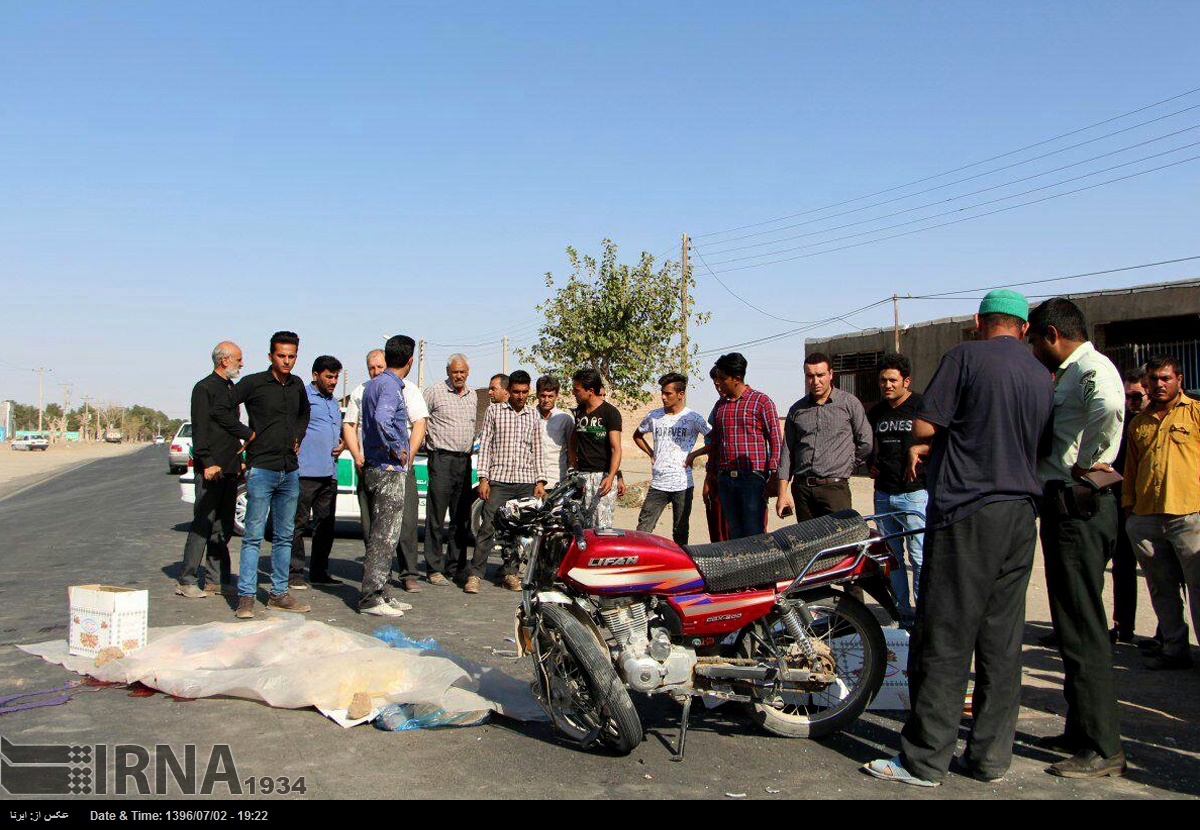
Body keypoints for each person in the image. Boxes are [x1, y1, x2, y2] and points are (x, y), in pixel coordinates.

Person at [865, 289, 1053, 788]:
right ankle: (990, 759)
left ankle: (925, 761)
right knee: (1002, 641)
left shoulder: (965, 357)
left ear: (978, 320)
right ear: (1024, 327)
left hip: (969, 512)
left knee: (945, 635)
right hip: (1021, 514)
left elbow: (925, 424)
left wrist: (928, 443)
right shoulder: (1040, 373)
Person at [1028, 297, 1126, 779]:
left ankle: (1104, 747)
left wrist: (1090, 461)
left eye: (1035, 341)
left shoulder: (1091, 368)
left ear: (1052, 334)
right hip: (1064, 503)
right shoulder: (1068, 372)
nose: (1033, 350)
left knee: (1084, 625)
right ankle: (1081, 728)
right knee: (1069, 624)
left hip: (1079, 504)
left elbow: (1109, 406)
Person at [213, 331, 313, 619]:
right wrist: (246, 433)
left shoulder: (297, 385)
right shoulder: (254, 383)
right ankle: (246, 597)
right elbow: (220, 409)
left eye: (291, 356)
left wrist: (298, 435)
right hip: (261, 469)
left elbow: (304, 413)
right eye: (281, 355)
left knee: (284, 536)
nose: (286, 361)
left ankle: (279, 593)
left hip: (289, 471)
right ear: (271, 356)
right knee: (253, 536)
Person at [1123, 354, 1200, 671]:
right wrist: (1130, 511)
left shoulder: (1195, 413)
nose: (1158, 384)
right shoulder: (1138, 423)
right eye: (1153, 379)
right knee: (1162, 589)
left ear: (1179, 379)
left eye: (1165, 378)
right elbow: (1131, 470)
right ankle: (1174, 650)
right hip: (1146, 518)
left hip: (1189, 516)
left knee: (1198, 588)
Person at [175, 341, 244, 599]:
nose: (242, 363)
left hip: (229, 467)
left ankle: (217, 580)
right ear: (224, 360)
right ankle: (187, 579)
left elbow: (231, 428)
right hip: (211, 467)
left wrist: (239, 460)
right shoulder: (204, 388)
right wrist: (207, 461)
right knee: (203, 524)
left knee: (223, 526)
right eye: (238, 359)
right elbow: (201, 428)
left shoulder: (231, 388)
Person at [866, 353, 927, 626]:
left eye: (892, 380)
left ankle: (924, 615)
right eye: (883, 380)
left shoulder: (921, 406)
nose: (887, 385)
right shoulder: (876, 412)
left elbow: (941, 439)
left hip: (913, 493)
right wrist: (870, 463)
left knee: (919, 556)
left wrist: (919, 449)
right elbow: (868, 445)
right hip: (883, 494)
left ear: (906, 381)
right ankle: (903, 612)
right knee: (892, 558)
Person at [473, 370, 547, 593]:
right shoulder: (494, 411)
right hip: (499, 480)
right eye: (516, 392)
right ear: (508, 391)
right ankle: (475, 574)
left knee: (518, 531)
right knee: (487, 526)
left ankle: (510, 573)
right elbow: (486, 445)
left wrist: (540, 482)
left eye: (524, 392)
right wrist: (483, 478)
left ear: (529, 391)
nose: (520, 396)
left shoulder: (533, 415)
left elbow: (538, 449)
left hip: (525, 481)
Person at [357, 335, 415, 617]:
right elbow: (383, 419)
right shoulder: (390, 386)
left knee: (384, 535)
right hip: (387, 470)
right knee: (385, 535)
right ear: (410, 361)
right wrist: (396, 448)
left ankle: (382, 592)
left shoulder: (373, 384)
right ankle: (370, 598)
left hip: (375, 466)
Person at [778, 352, 872, 522]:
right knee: (808, 537)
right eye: (810, 376)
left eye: (820, 375)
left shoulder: (849, 403)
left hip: (834, 488)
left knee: (840, 536)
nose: (815, 381)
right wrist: (782, 493)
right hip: (802, 489)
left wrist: (847, 465)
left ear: (830, 374)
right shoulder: (797, 410)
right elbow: (787, 452)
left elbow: (866, 442)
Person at [704, 353, 781, 540]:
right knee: (734, 534)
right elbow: (715, 445)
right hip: (725, 480)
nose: (718, 383)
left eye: (722, 378)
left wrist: (774, 476)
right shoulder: (720, 406)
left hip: (752, 480)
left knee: (754, 535)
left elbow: (776, 440)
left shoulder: (761, 402)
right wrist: (711, 475)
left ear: (737, 379)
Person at [634, 372, 711, 546]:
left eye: (668, 393)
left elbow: (714, 440)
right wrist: (651, 453)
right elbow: (637, 436)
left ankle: (681, 561)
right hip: (658, 483)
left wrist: (693, 455)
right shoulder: (653, 416)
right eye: (662, 392)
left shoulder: (692, 418)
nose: (663, 397)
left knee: (680, 531)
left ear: (680, 394)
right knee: (643, 529)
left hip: (683, 484)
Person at [422, 354, 478, 586]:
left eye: (462, 372)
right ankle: (434, 568)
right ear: (448, 372)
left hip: (464, 462)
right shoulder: (434, 392)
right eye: (455, 372)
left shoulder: (473, 395)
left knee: (461, 518)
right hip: (441, 459)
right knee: (436, 517)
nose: (459, 376)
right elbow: (418, 420)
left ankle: (455, 567)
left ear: (468, 372)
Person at [291, 355, 344, 589]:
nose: (333, 381)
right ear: (315, 375)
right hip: (305, 473)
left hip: (329, 474)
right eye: (329, 377)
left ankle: (319, 573)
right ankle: (294, 573)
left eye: (336, 377)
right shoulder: (302, 396)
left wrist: (342, 444)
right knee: (298, 524)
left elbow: (336, 432)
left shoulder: (333, 402)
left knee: (325, 526)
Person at [1111, 368, 1148, 643]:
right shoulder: (1122, 425)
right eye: (1127, 397)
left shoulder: (1155, 424)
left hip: (1152, 507)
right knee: (1123, 567)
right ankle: (1124, 626)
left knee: (1163, 575)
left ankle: (1167, 634)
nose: (1131, 402)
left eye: (1136, 397)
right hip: (1122, 505)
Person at [342, 349, 387, 546]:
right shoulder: (359, 392)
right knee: (369, 523)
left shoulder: (399, 390)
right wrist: (357, 456)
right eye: (372, 368)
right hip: (366, 465)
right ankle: (371, 560)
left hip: (391, 467)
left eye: (380, 367)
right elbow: (349, 426)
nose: (376, 372)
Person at [569, 368, 623, 530]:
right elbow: (573, 439)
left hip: (602, 478)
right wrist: (572, 456)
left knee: (601, 528)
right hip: (582, 477)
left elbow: (616, 449)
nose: (573, 393)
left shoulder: (610, 412)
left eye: (577, 390)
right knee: (582, 527)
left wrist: (611, 477)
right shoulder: (579, 411)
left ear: (590, 391)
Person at [536, 375, 573, 488]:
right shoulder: (529, 417)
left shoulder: (565, 419)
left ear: (556, 396)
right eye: (543, 396)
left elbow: (571, 449)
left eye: (550, 396)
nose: (546, 400)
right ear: (537, 394)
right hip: (532, 480)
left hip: (557, 480)